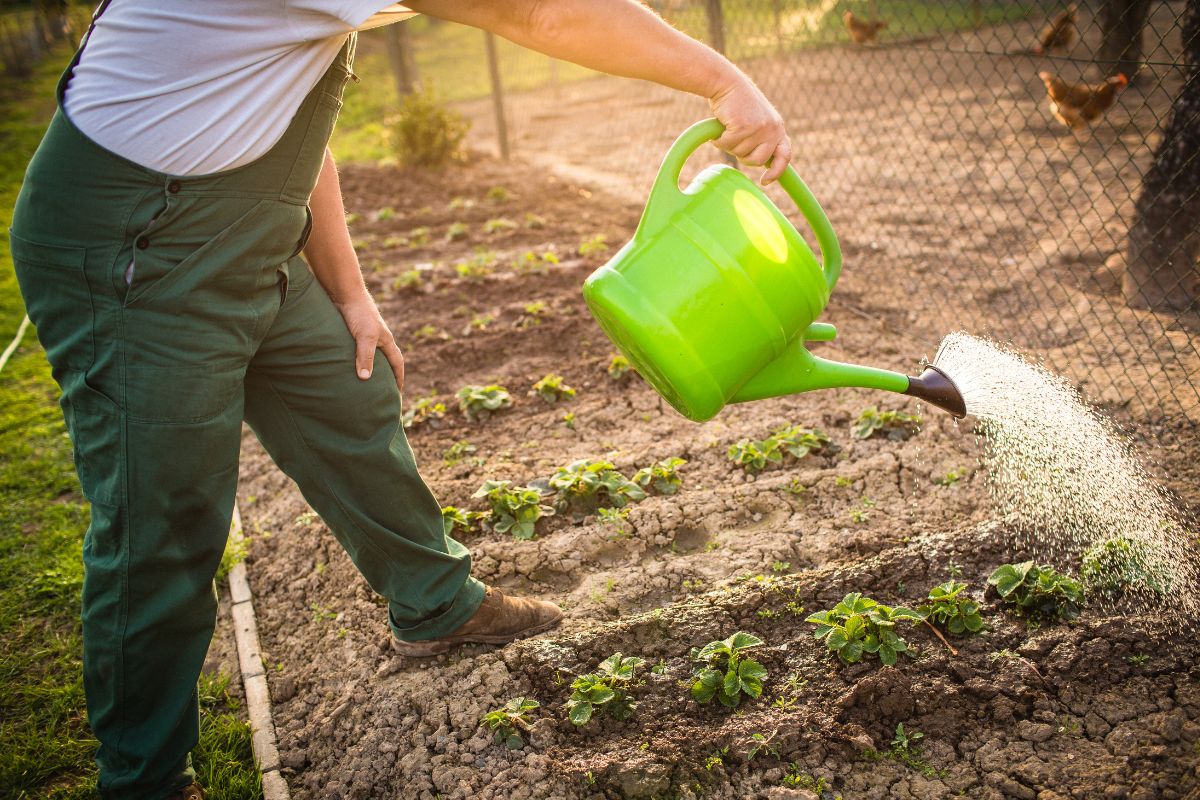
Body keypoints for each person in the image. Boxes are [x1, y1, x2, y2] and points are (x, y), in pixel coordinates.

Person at [9, 1, 793, 798]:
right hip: (134, 246)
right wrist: (724, 81)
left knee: (346, 394)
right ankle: (142, 778)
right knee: (164, 517)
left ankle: (436, 603)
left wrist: (349, 293)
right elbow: (544, 12)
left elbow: (288, 120)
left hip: (240, 227)